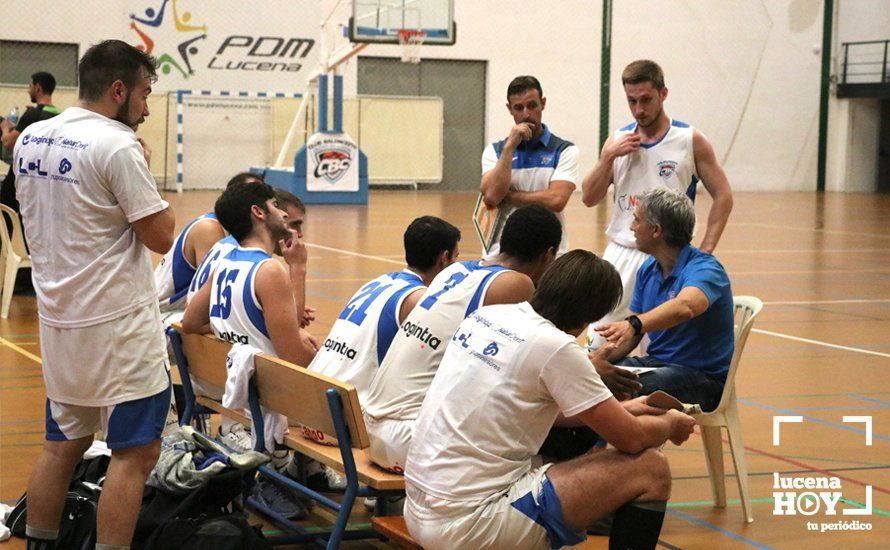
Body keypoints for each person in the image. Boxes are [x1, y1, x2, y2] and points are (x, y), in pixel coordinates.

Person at [404, 250, 696, 550]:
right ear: (592, 317)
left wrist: (621, 409)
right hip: (472, 524)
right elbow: (632, 439)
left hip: (418, 507)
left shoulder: (487, 316)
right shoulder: (557, 347)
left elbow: (523, 405)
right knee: (651, 468)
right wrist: (670, 425)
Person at [14, 41, 174, 549]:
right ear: (118, 89)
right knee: (136, 453)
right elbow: (162, 237)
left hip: (59, 320)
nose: (147, 108)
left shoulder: (31, 137)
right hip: (118, 328)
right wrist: (144, 164)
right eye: (145, 94)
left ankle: (40, 542)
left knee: (62, 445)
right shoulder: (119, 145)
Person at [363, 205, 561, 473]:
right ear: (550, 254)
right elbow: (525, 369)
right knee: (555, 446)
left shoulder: (454, 271)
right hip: (411, 437)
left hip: (373, 430)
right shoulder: (516, 284)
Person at [182, 180, 318, 517]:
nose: (282, 211)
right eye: (274, 204)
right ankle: (280, 472)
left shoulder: (225, 262)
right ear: (258, 213)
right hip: (266, 394)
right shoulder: (269, 269)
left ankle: (300, 469)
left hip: (233, 381)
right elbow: (294, 360)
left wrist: (237, 332)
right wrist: (297, 268)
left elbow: (190, 322)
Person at [581, 59, 733, 351]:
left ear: (663, 94)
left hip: (668, 257)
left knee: (658, 342)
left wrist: (708, 247)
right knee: (599, 338)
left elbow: (723, 195)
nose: (639, 109)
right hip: (622, 252)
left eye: (646, 99)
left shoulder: (689, 139)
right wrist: (607, 158)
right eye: (632, 101)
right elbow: (589, 197)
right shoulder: (618, 140)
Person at [594, 188, 734, 412]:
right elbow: (634, 333)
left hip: (703, 379)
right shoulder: (649, 268)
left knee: (619, 389)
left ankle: (635, 445)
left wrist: (634, 324)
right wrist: (598, 359)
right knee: (592, 378)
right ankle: (597, 448)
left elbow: (686, 306)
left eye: (637, 220)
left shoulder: (705, 268)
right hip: (656, 364)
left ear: (656, 230)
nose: (631, 227)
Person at [305, 215, 460, 416]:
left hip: (311, 402)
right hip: (342, 416)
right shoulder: (420, 299)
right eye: (456, 257)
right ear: (444, 257)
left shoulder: (379, 281)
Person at [480, 75, 579, 258]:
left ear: (543, 103)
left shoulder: (564, 150)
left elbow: (556, 200)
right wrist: (510, 147)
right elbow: (492, 196)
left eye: (532, 105)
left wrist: (509, 196)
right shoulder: (494, 151)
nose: (526, 114)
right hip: (500, 254)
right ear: (510, 109)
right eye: (518, 108)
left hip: (548, 254)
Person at [2, 71, 61, 216]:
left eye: (30, 86)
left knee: (8, 212)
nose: (29, 90)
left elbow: (8, 142)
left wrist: (5, 128)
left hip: (23, 172)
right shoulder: (59, 114)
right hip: (46, 174)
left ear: (38, 88)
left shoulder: (32, 114)